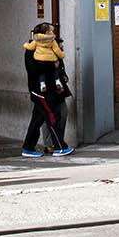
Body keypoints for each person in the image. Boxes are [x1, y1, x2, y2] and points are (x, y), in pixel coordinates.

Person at [21, 22, 73, 156]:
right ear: (44, 34)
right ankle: (59, 146)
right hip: (41, 91)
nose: (54, 34)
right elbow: (34, 69)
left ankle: (28, 147)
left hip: (50, 90)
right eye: (51, 32)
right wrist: (52, 66)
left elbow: (58, 64)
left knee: (37, 120)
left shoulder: (51, 47)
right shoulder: (32, 50)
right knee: (53, 116)